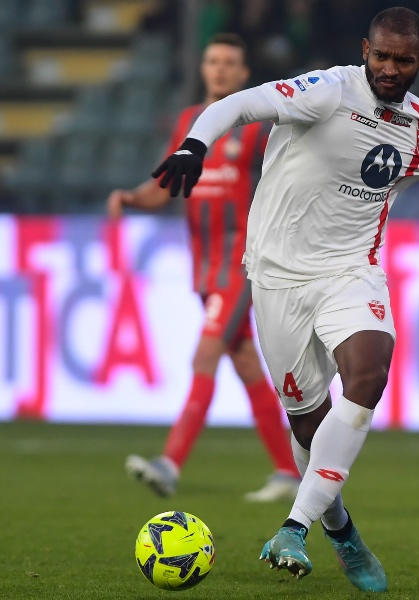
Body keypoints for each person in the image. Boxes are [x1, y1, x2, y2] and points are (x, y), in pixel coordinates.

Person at [149, 7, 419, 593]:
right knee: (309, 427)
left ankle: (294, 527)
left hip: (350, 272)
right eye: (381, 56)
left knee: (369, 370)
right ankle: (340, 528)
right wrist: (194, 145)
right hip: (277, 278)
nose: (389, 69)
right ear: (366, 50)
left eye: (402, 61)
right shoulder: (327, 92)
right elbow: (239, 105)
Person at [109, 33, 301, 503]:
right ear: (202, 68)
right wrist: (132, 198)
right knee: (246, 364)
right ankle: (288, 470)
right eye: (213, 61)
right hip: (203, 267)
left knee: (205, 357)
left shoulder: (257, 130)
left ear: (244, 74)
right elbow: (166, 186)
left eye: (229, 62)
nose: (219, 69)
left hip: (240, 265)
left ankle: (169, 462)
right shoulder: (188, 123)